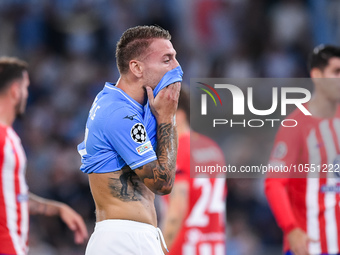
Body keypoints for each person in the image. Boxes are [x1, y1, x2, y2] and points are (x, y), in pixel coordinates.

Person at [77, 25, 182, 255]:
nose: (177, 67)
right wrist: (167, 117)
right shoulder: (118, 113)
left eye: (175, 58)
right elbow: (162, 183)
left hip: (138, 235)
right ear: (136, 67)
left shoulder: (136, 106)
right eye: (167, 60)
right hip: (123, 239)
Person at [0, 57, 88, 255]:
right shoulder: (3, 138)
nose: (26, 93)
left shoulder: (11, 137)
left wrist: (58, 209)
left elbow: (14, 196)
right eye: (25, 87)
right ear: (15, 90)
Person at [265, 45, 340, 255]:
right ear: (317, 75)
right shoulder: (296, 124)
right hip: (311, 245)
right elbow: (274, 184)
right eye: (336, 72)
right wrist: (291, 229)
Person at [161, 89, 227, 255]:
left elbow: (177, 212)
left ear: (179, 115)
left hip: (185, 247)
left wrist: (159, 251)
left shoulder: (177, 150)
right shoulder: (213, 148)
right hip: (213, 248)